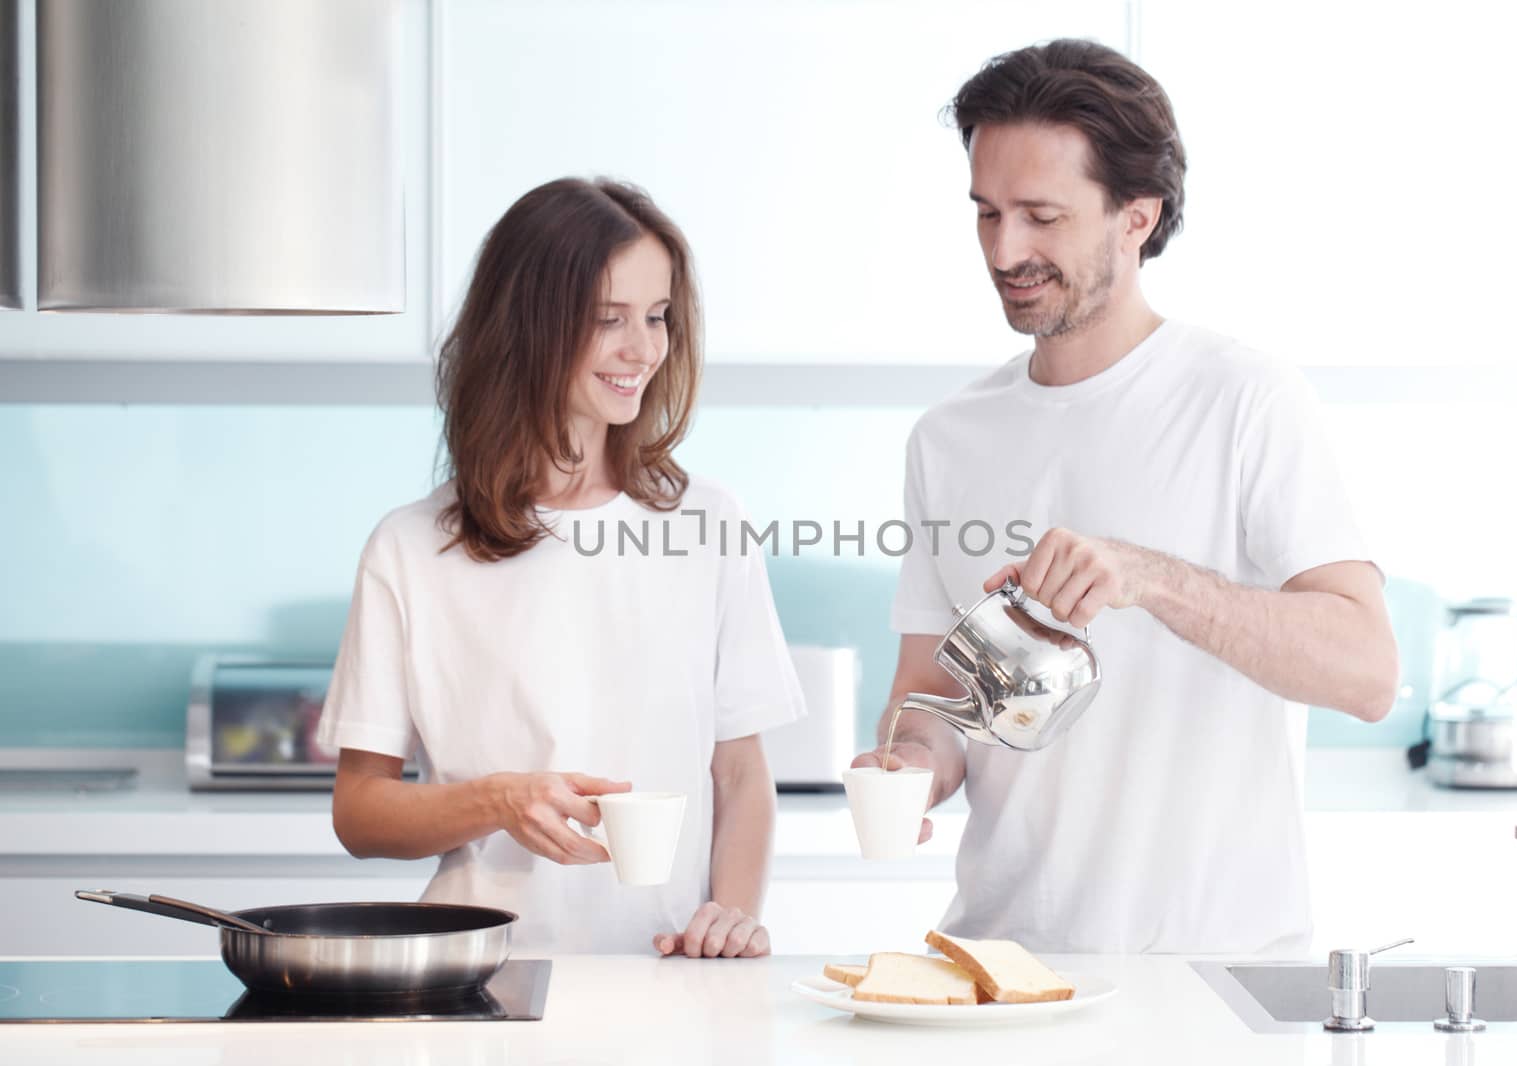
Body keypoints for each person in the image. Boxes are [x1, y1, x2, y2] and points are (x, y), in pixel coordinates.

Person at [854, 40, 1399, 955]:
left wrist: (1150, 578)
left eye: (1041, 216)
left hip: (1216, 978)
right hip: (1002, 967)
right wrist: (910, 761)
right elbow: (931, 692)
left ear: (1135, 218)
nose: (1004, 250)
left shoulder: (1244, 399)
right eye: (986, 213)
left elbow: (1368, 672)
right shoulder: (948, 439)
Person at [319, 178, 805, 958]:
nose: (643, 349)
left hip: (672, 974)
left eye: (657, 317)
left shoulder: (710, 522)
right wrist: (498, 800)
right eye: (607, 319)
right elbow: (361, 813)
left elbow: (741, 775)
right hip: (482, 978)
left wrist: (733, 916)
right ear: (528, 327)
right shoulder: (411, 549)